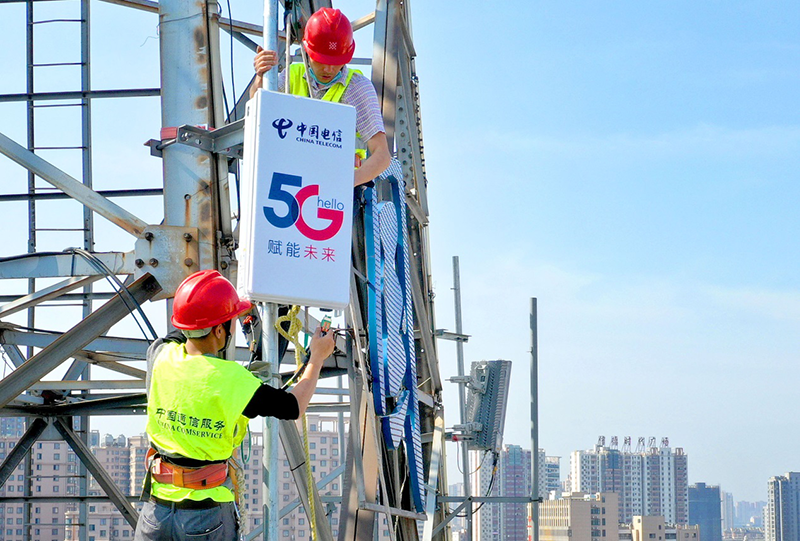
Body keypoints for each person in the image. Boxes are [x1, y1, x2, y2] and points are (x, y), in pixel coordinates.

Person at [133, 269, 335, 541]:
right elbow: (293, 406)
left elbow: (185, 326)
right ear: (219, 330)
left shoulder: (160, 355)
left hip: (155, 512)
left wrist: (225, 306)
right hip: (204, 516)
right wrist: (317, 358)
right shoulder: (233, 381)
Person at [250, 7, 391, 187]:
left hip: (336, 196)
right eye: (321, 61)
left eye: (335, 62)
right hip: (289, 181)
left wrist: (345, 185)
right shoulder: (290, 77)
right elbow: (256, 113)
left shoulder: (357, 88)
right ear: (307, 51)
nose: (328, 69)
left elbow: (382, 155)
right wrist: (260, 77)